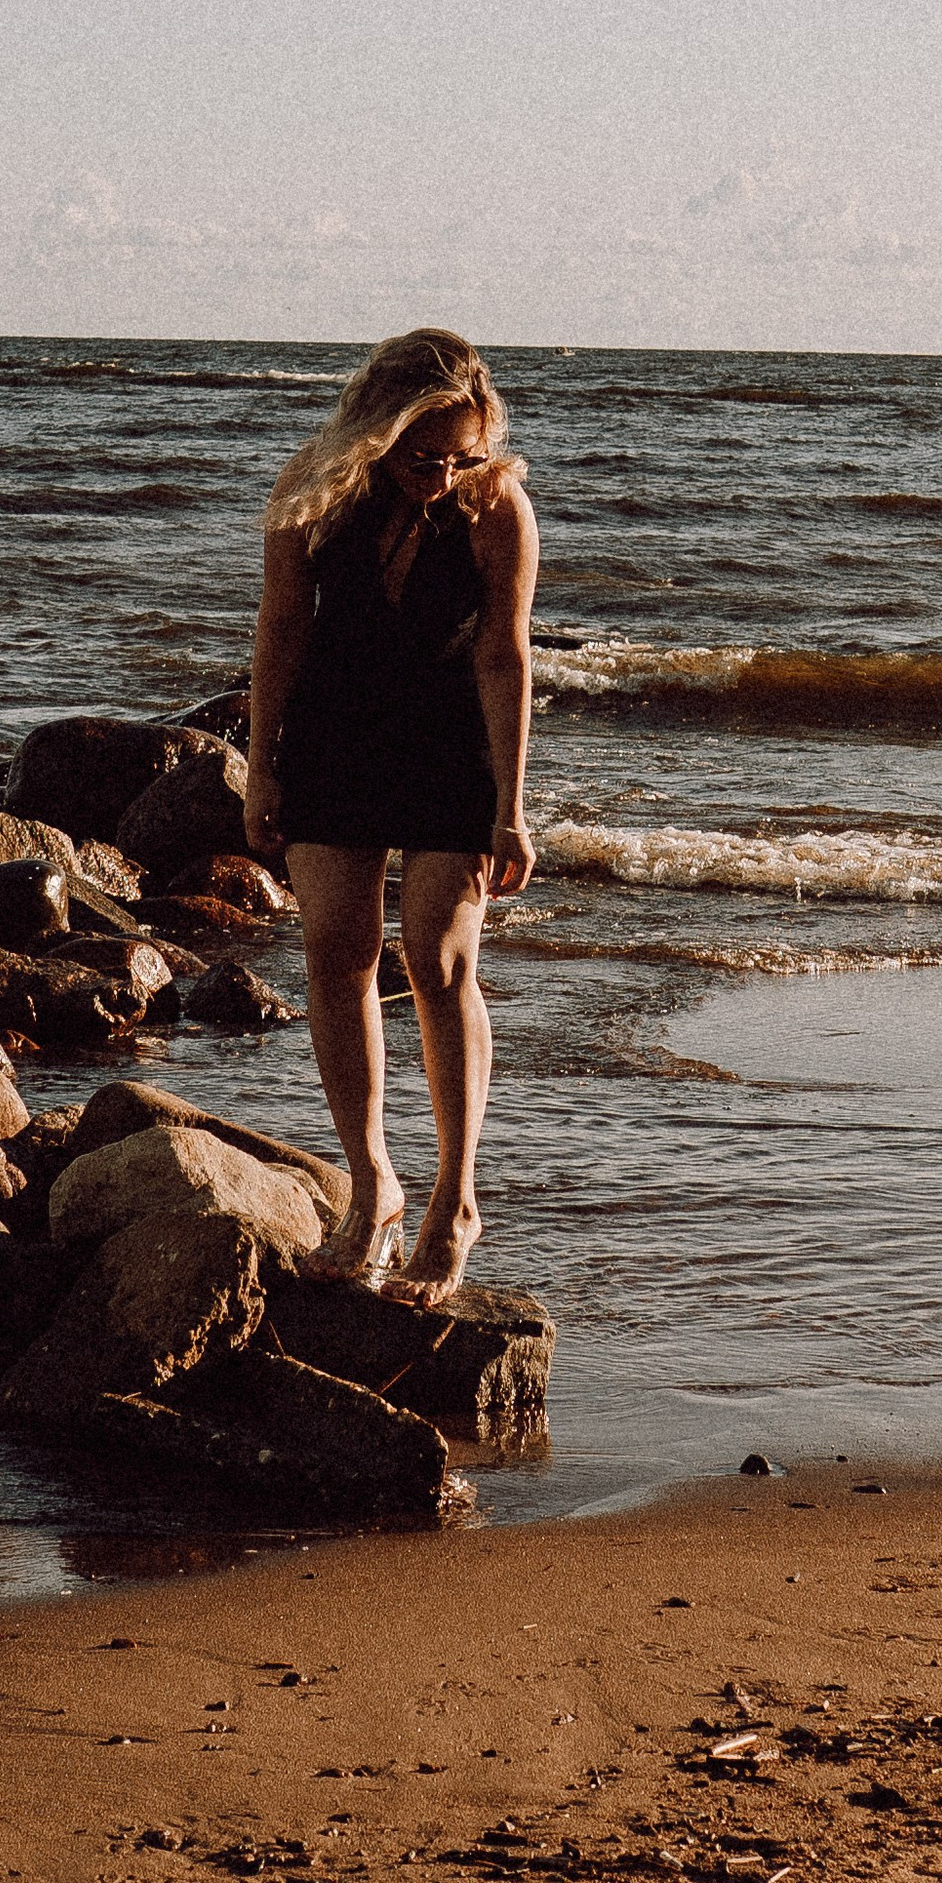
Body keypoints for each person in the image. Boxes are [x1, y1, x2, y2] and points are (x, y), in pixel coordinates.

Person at [242, 327, 539, 1296]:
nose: (443, 476)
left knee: (438, 959)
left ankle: (455, 1201)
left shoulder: (498, 508)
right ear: (378, 428)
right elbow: (281, 629)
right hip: (334, 735)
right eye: (424, 456)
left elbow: (504, 656)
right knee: (336, 951)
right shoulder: (311, 490)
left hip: (449, 745)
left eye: (463, 455)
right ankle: (372, 1186)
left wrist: (511, 807)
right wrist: (260, 767)